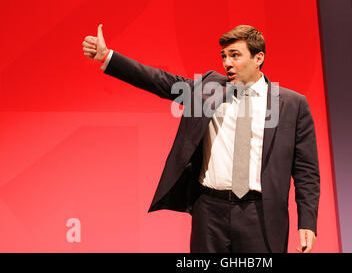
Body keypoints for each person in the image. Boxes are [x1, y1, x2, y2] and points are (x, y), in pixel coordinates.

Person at [82, 24, 320, 253]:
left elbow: (306, 171)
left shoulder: (292, 104)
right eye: (224, 56)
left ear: (258, 58)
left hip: (260, 215)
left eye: (235, 55)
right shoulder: (209, 88)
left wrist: (307, 221)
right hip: (209, 212)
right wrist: (108, 57)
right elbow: (162, 82)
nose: (227, 63)